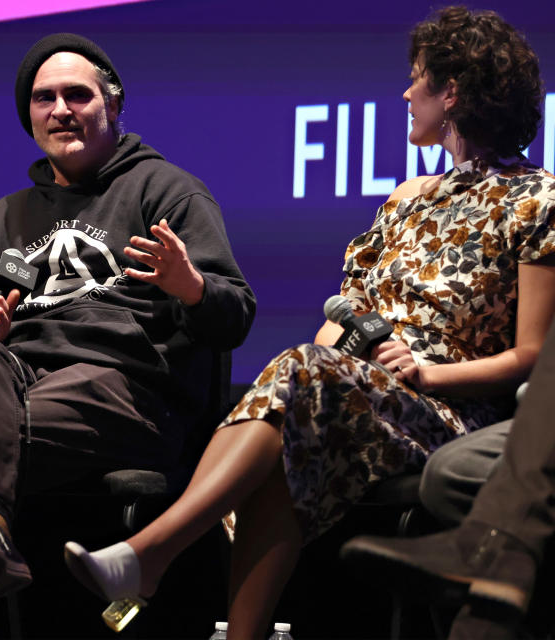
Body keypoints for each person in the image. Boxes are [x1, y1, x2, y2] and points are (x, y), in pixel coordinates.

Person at [63, 7, 555, 638]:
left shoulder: (538, 200)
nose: (406, 93)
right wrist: (343, 356)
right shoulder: (408, 199)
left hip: (452, 414)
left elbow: (534, 356)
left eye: (417, 79)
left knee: (299, 382)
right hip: (355, 390)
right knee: (295, 409)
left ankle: (150, 555)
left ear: (453, 90)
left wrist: (430, 374)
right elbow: (339, 318)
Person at [0, 33, 256, 638]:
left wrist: (190, 285)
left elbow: (236, 316)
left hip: (127, 389)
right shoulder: (6, 218)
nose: (61, 109)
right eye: (45, 99)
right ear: (30, 117)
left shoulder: (165, 191)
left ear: (113, 106)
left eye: (78, 94)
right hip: (20, 382)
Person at [340, 317, 555, 640]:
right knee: (453, 471)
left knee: (450, 472)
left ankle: (494, 557)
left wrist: (424, 374)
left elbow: (532, 354)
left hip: (455, 405)